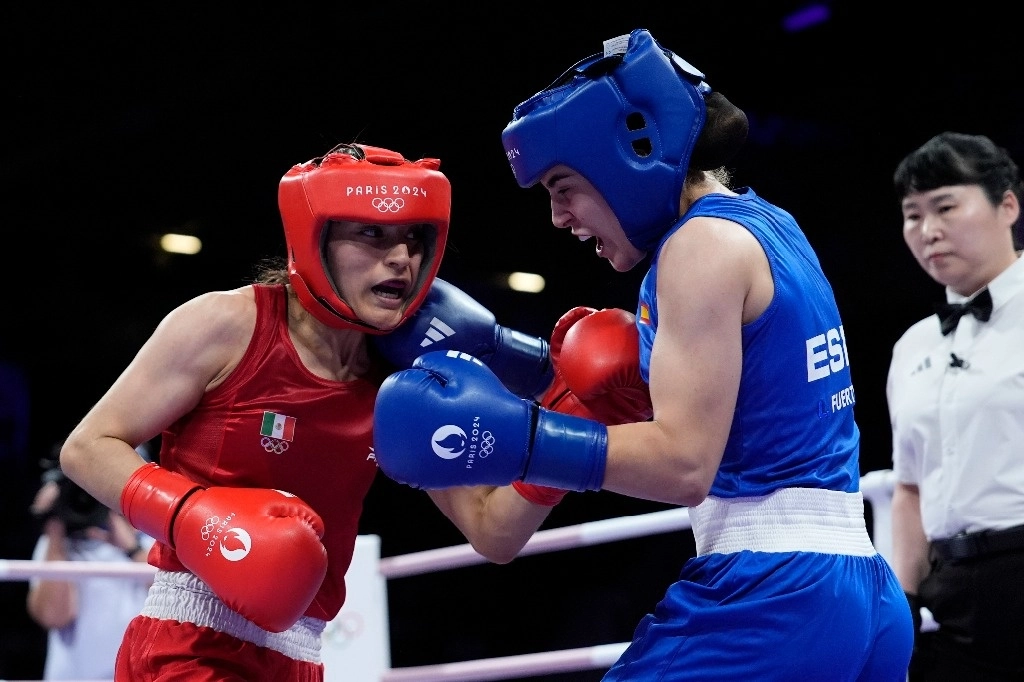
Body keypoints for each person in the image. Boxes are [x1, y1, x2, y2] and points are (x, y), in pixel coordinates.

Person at [372, 28, 913, 680]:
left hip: (772, 596)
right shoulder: (770, 226)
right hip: (860, 591)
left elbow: (685, 463)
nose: (559, 217)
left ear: (630, 153)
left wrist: (514, 434)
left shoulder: (698, 249)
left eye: (563, 186)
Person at [58, 141, 651, 681]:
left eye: (414, 240)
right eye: (372, 234)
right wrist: (195, 518)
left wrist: (569, 420)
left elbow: (493, 531)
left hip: (304, 658)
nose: (401, 259)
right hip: (188, 644)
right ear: (314, 238)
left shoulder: (406, 379)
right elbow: (87, 447)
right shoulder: (227, 324)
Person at [887, 131, 1024, 681]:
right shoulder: (912, 346)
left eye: (945, 206)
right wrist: (902, 598)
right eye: (913, 214)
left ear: (1007, 205)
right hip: (953, 596)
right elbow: (910, 486)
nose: (929, 231)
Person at [27, 446, 155, 681]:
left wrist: (132, 549)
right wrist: (55, 524)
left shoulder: (156, 543)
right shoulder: (56, 547)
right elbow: (54, 616)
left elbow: (173, 608)